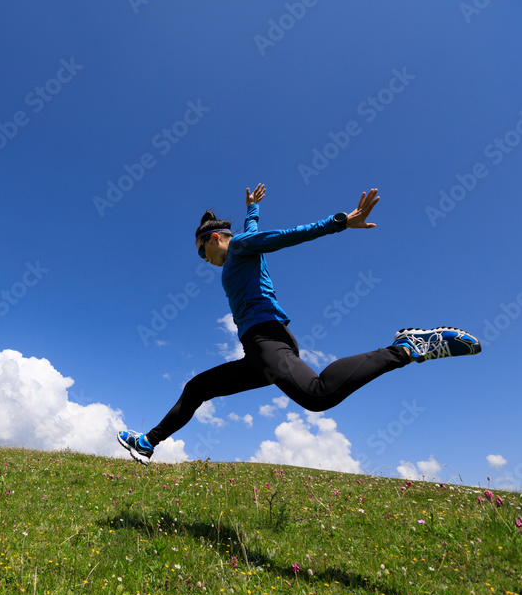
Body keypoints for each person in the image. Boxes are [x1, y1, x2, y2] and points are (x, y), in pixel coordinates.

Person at [117, 184, 481, 466]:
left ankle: (405, 348)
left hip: (267, 340)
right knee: (197, 388)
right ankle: (148, 442)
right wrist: (253, 209)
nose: (203, 259)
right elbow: (254, 231)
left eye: (201, 251)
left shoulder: (240, 247)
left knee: (318, 394)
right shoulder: (242, 248)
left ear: (214, 238)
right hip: (257, 352)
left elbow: (284, 236)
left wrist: (337, 223)